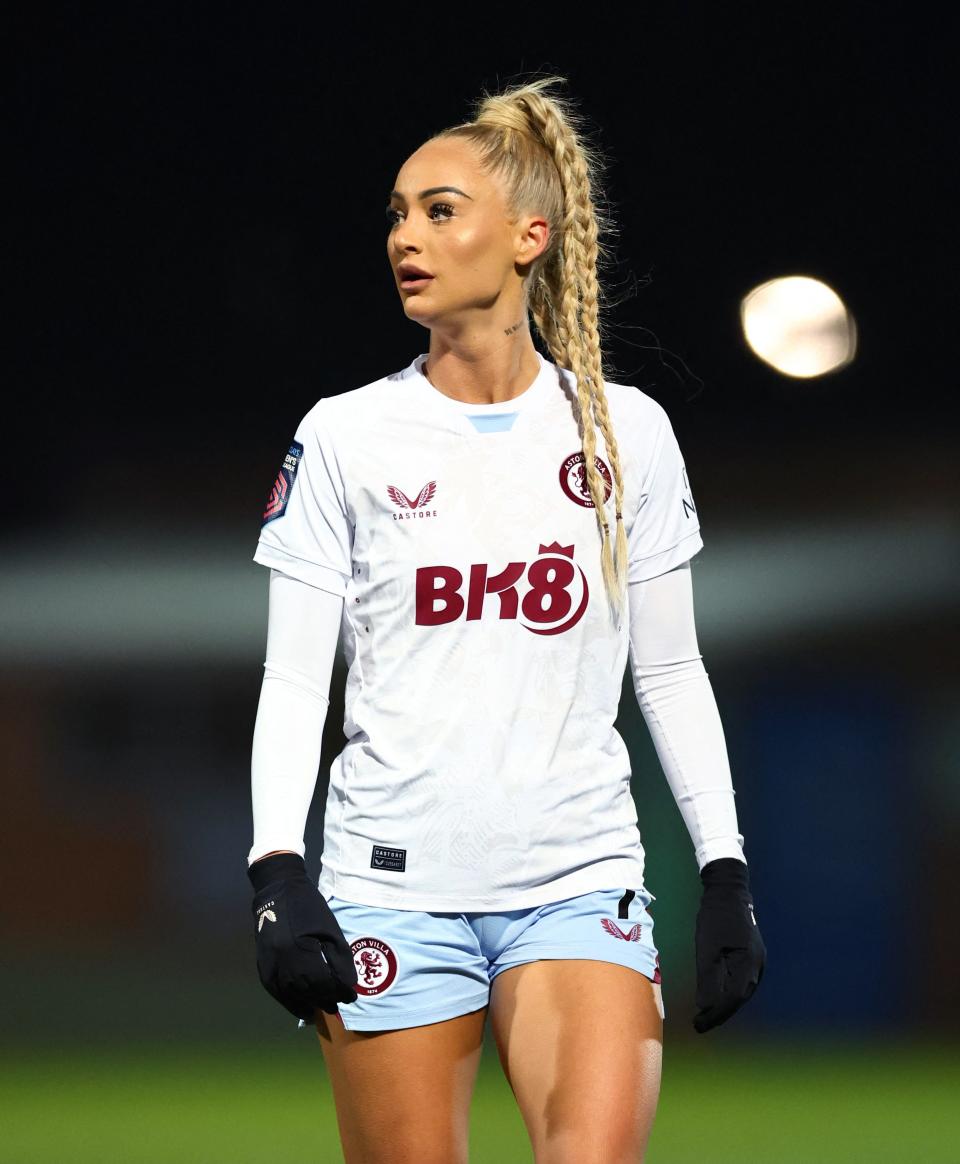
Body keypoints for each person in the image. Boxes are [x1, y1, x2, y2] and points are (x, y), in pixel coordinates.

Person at [245, 74, 766, 1164]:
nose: (406, 235)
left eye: (440, 209)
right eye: (396, 212)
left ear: (530, 235)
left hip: (576, 878)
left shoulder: (628, 433)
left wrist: (723, 871)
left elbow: (669, 672)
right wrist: (277, 870)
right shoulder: (346, 435)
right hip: (395, 887)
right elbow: (297, 682)